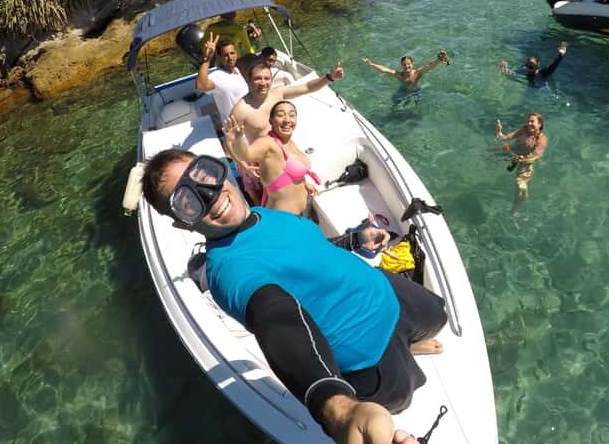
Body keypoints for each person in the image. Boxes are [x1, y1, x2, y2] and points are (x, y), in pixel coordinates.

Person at [142, 149, 444, 444]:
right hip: (369, 354)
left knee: (439, 314)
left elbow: (310, 251)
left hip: (388, 293)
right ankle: (403, 353)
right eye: (186, 201)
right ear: (182, 222)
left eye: (203, 175)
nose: (207, 195)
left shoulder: (262, 215)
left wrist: (354, 239)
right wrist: (337, 409)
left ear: (218, 169)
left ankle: (411, 344)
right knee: (404, 398)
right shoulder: (230, 271)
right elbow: (275, 318)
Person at [228, 60, 344, 205]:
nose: (263, 82)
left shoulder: (278, 93)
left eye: (266, 78)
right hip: (260, 161)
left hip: (284, 151)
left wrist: (329, 77)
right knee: (269, 199)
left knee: (291, 186)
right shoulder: (241, 110)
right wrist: (244, 166)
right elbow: (228, 142)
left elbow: (307, 87)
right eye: (258, 78)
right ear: (248, 80)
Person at [225, 101, 320, 216]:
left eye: (291, 115)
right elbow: (246, 154)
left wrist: (303, 183)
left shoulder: (289, 142)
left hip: (304, 213)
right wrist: (237, 140)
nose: (287, 120)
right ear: (271, 121)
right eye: (280, 115)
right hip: (285, 221)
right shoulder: (268, 143)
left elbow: (289, 172)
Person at [495, 113, 548, 204]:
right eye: (528, 121)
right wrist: (499, 132)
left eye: (532, 121)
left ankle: (518, 204)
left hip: (526, 161)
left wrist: (523, 159)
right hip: (513, 152)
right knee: (489, 154)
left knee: (520, 184)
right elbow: (505, 138)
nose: (529, 123)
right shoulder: (524, 130)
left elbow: (536, 156)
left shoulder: (542, 139)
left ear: (539, 124)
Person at [195, 35, 249, 124]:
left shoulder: (237, 71)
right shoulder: (216, 76)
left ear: (236, 53)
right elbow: (201, 86)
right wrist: (207, 59)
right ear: (219, 58)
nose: (230, 57)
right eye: (226, 55)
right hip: (236, 129)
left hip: (249, 122)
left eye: (232, 53)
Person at [362, 50, 449, 87]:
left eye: (408, 64)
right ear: (402, 66)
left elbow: (429, 66)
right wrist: (371, 63)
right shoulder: (400, 75)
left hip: (416, 92)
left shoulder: (417, 72)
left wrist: (438, 59)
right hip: (403, 91)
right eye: (404, 64)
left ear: (412, 64)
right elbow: (384, 69)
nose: (407, 66)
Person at [499, 42, 566, 88]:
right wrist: (504, 68)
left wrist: (561, 55)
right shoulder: (524, 70)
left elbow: (553, 66)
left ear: (537, 65)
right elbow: (512, 73)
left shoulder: (543, 73)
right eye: (528, 65)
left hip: (541, 90)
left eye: (532, 65)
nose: (529, 66)